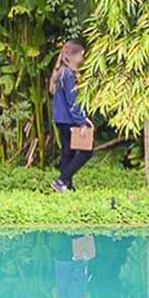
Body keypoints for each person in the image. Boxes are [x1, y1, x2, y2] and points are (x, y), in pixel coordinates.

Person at [51, 41, 92, 193]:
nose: (82, 59)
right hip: (69, 119)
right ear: (72, 56)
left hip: (60, 118)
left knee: (68, 152)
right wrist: (81, 122)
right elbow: (73, 100)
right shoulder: (68, 74)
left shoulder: (60, 72)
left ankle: (67, 185)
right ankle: (62, 180)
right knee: (87, 152)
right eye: (81, 55)